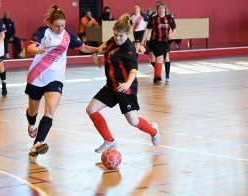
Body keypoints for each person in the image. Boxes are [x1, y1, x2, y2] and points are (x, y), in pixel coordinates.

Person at [25, 4, 100, 157]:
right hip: (37, 76)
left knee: (50, 109)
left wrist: (97, 49)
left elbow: (83, 47)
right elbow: (31, 47)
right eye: (57, 26)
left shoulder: (67, 35)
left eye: (62, 26)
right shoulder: (43, 32)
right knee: (33, 112)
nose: (60, 29)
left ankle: (37, 144)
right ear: (50, 24)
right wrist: (37, 50)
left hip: (55, 78)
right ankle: (32, 123)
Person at [87, 14, 161, 153]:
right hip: (111, 86)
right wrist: (95, 54)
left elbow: (133, 71)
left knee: (133, 121)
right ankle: (110, 141)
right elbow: (102, 47)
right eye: (115, 34)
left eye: (120, 36)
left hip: (125, 88)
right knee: (91, 109)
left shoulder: (129, 49)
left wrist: (127, 83)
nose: (117, 38)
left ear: (127, 34)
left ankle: (153, 131)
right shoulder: (112, 40)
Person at [141, 1, 176, 84]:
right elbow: (147, 29)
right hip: (155, 41)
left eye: (162, 8)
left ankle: (157, 77)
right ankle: (158, 78)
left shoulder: (169, 18)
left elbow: (174, 28)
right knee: (159, 57)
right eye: (159, 8)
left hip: (165, 41)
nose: (161, 9)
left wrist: (172, 34)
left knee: (160, 59)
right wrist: (143, 39)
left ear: (165, 9)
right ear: (157, 10)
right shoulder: (153, 19)